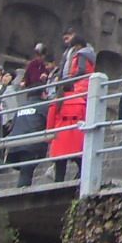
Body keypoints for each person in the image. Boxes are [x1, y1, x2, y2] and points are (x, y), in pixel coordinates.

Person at [47, 45, 94, 183]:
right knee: (81, 161)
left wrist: (49, 137)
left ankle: (58, 186)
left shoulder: (56, 102)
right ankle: (83, 180)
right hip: (76, 133)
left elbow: (50, 122)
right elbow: (85, 118)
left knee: (60, 168)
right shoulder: (81, 101)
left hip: (60, 134)